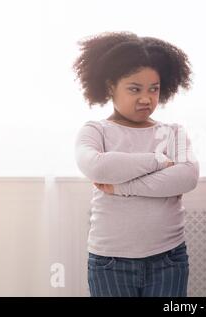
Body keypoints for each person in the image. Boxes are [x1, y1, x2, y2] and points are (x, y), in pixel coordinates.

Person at [73, 32, 199, 297]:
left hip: (168, 259)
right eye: (135, 88)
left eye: (153, 88)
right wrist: (158, 160)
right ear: (110, 87)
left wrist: (120, 187)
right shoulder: (95, 130)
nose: (146, 98)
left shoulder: (173, 132)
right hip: (110, 262)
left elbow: (187, 177)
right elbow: (96, 167)